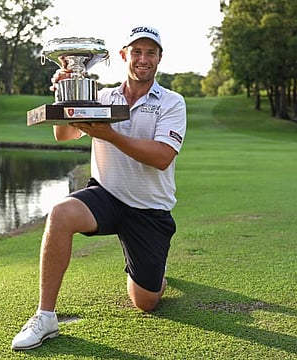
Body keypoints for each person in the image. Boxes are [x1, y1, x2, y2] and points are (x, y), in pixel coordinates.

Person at [11, 25, 187, 351]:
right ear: (124, 56)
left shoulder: (172, 102)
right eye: (136, 52)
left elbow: (162, 158)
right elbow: (64, 136)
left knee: (145, 301)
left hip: (149, 209)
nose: (143, 59)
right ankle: (45, 316)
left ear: (160, 58)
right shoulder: (102, 97)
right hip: (106, 194)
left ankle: (156, 276)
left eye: (150, 52)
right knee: (61, 213)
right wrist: (65, 95)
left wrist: (110, 135)